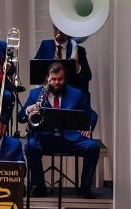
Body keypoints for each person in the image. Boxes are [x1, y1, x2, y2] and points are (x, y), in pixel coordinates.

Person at [21, 62, 99, 198]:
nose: (57, 82)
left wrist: (89, 125)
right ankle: (39, 187)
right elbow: (20, 117)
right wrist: (28, 109)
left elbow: (91, 114)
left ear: (64, 78)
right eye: (53, 79)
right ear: (47, 78)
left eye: (60, 79)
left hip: (69, 138)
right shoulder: (35, 94)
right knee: (30, 146)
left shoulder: (76, 93)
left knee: (93, 147)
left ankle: (85, 188)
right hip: (45, 138)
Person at [33, 25, 92, 96]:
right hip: (49, 94)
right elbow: (34, 70)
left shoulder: (79, 50)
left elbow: (87, 76)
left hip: (70, 95)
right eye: (56, 29)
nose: (58, 32)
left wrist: (77, 67)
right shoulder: (45, 45)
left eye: (61, 29)